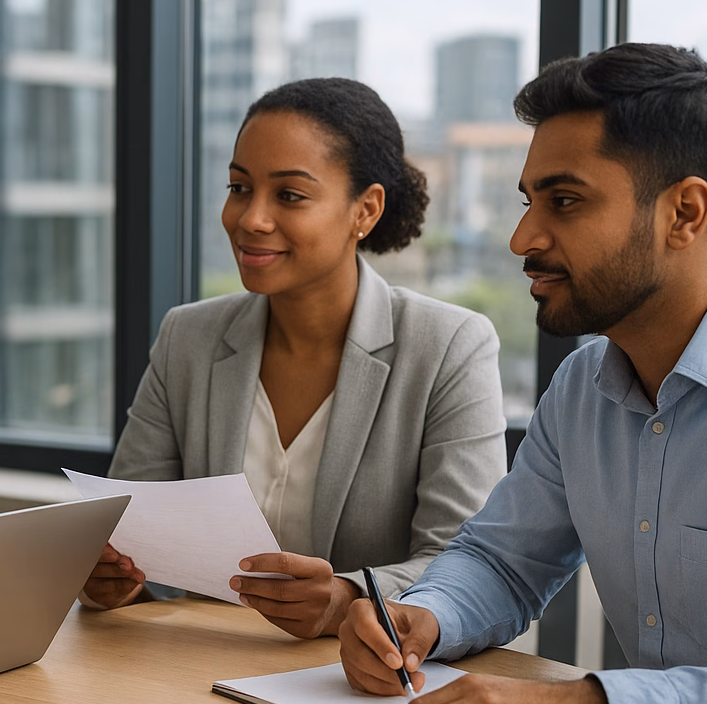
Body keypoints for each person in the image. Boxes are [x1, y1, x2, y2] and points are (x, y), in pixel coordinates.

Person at [339, 42, 707, 704]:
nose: (522, 240)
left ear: (685, 213)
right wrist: (426, 617)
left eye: (564, 202)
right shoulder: (581, 390)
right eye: (527, 201)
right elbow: (504, 561)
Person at [89, 78, 506, 638]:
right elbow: (129, 537)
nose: (250, 218)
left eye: (289, 195)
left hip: (355, 687)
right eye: (239, 187)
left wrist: (346, 597)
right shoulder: (188, 337)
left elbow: (467, 567)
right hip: (190, 676)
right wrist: (110, 577)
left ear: (366, 210)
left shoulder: (449, 346)